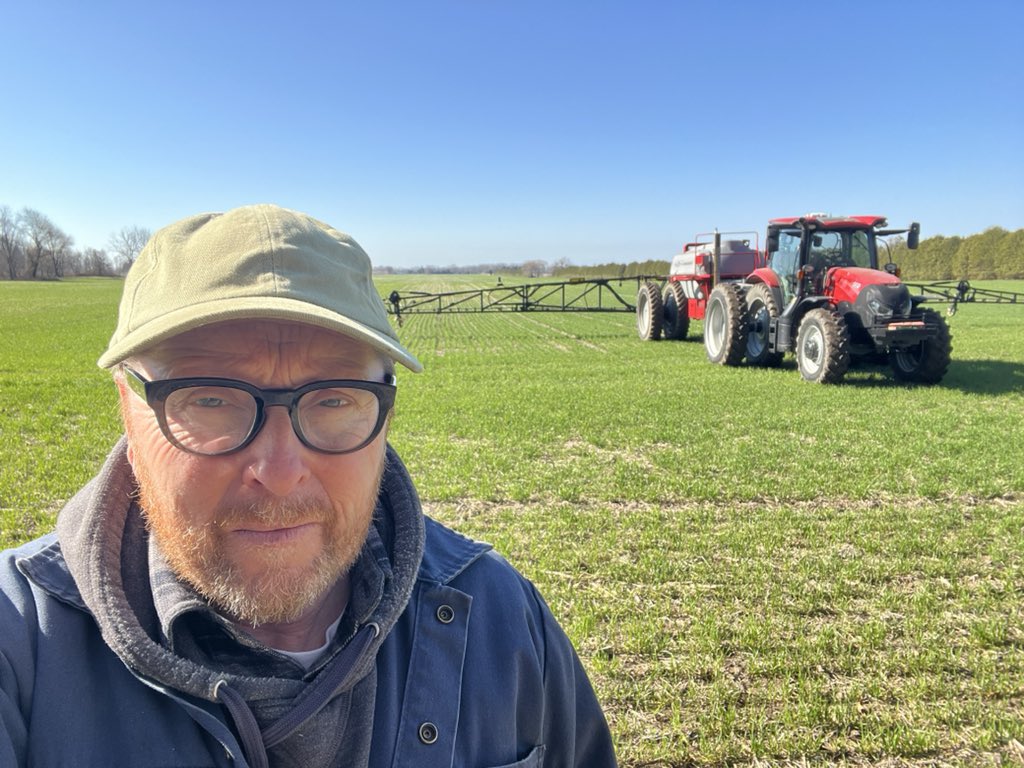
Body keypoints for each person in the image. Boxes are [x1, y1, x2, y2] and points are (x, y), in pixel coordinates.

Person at [0, 204, 616, 767]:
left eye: (334, 398)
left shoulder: (502, 622)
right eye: (211, 398)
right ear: (129, 412)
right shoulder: (20, 642)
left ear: (386, 416)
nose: (279, 470)